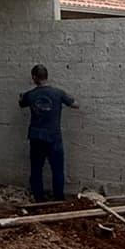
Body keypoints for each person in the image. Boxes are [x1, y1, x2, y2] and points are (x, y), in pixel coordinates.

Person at [19, 63, 76, 201]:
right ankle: (59, 199)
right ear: (46, 76)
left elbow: (21, 103)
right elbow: (75, 104)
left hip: (36, 137)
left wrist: (21, 96)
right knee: (57, 170)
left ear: (34, 77)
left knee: (36, 169)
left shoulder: (30, 95)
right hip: (54, 137)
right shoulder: (58, 93)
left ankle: (39, 199)